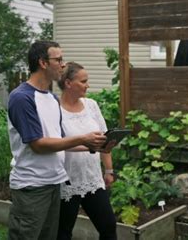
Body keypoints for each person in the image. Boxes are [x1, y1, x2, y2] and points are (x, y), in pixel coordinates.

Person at [7, 41, 108, 240]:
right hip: (31, 186)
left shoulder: (52, 99)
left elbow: (60, 141)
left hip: (55, 183)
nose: (63, 64)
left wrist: (93, 144)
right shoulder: (22, 98)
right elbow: (38, 145)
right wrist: (82, 138)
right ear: (43, 63)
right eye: (58, 59)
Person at [57, 62, 117, 240]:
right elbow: (55, 143)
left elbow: (104, 140)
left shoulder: (91, 105)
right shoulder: (55, 110)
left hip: (92, 179)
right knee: (63, 232)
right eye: (83, 81)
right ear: (68, 83)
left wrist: (109, 170)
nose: (88, 85)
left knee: (108, 226)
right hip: (66, 181)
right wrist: (87, 143)